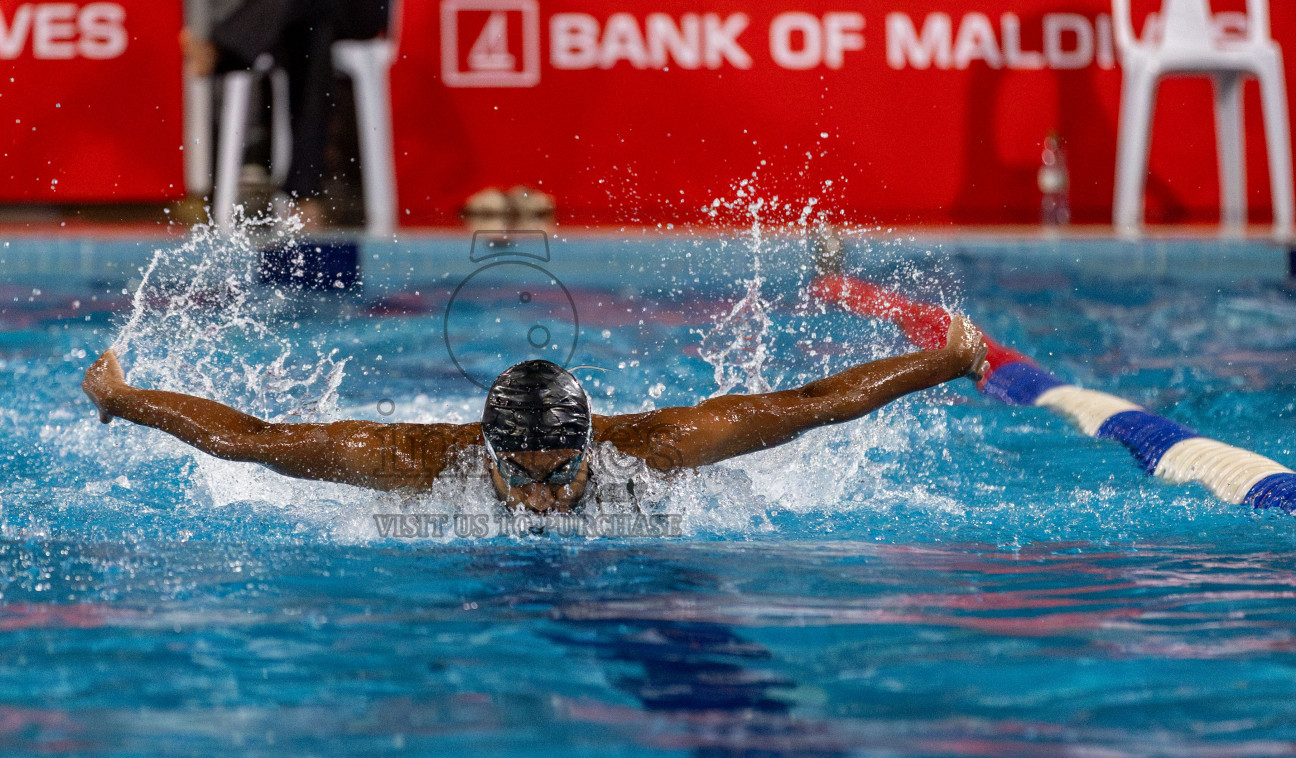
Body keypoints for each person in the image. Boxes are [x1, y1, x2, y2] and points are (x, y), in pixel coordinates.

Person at [82, 316, 989, 514]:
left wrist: (944, 362)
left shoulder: (656, 448)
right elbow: (256, 442)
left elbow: (808, 406)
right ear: (490, 453)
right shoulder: (417, 461)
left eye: (563, 470)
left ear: (593, 446)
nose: (544, 494)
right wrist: (124, 401)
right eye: (522, 474)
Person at [186, 0, 429, 225]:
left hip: (356, 6)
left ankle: (226, 48)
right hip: (293, 14)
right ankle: (305, 193)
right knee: (314, 24)